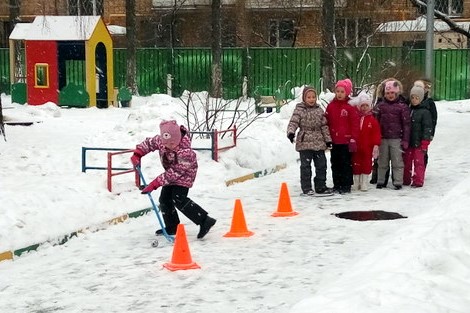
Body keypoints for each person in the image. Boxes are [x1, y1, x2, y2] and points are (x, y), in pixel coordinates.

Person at [130, 120, 216, 239]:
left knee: (178, 198)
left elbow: (175, 173)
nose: (169, 146)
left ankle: (205, 220)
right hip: (170, 173)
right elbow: (149, 144)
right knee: (164, 199)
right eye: (167, 144)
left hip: (185, 174)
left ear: (178, 138)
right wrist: (137, 154)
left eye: (172, 144)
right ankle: (172, 226)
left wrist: (155, 184)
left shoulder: (185, 152)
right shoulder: (162, 140)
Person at [287, 86, 334, 196]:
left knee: (322, 165)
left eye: (313, 97)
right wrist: (291, 132)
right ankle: (306, 187)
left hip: (319, 141)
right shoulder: (299, 109)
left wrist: (328, 140)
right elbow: (293, 122)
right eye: (309, 97)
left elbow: (324, 126)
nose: (311, 99)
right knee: (305, 167)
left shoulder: (319, 110)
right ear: (304, 98)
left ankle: (320, 186)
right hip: (305, 142)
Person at [373, 78, 411, 190]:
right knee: (382, 161)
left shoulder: (402, 107)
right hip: (383, 138)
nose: (390, 95)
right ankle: (381, 180)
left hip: (396, 138)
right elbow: (375, 123)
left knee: (397, 161)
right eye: (388, 93)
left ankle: (398, 181)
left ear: (397, 93)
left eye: (393, 93)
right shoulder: (380, 106)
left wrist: (405, 139)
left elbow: (407, 125)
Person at [325, 78, 360, 194]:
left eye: (342, 92)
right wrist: (327, 138)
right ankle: (337, 184)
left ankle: (346, 185)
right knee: (335, 163)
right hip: (334, 141)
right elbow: (327, 122)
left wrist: (353, 138)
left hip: (346, 141)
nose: (339, 94)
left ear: (347, 93)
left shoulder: (350, 107)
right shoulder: (331, 106)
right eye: (338, 91)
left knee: (346, 164)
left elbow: (355, 124)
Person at [349, 93, 381, 191]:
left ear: (370, 107)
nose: (364, 108)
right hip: (357, 146)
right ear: (359, 107)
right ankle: (356, 182)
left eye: (366, 105)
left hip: (368, 147)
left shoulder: (372, 120)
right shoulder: (356, 118)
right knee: (356, 164)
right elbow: (352, 129)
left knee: (366, 164)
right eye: (362, 106)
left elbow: (376, 133)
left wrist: (376, 144)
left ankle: (364, 182)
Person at [403, 86, 433, 187]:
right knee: (406, 162)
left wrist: (425, 142)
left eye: (417, 98)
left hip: (419, 143)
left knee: (419, 162)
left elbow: (427, 128)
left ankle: (418, 180)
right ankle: (406, 179)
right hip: (409, 142)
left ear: (421, 99)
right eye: (413, 97)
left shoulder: (425, 112)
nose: (414, 100)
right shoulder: (408, 110)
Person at [413, 79, 437, 167]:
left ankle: (421, 169)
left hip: (424, 132)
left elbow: (433, 119)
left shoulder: (429, 102)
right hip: (413, 132)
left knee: (423, 152)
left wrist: (431, 133)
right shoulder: (412, 100)